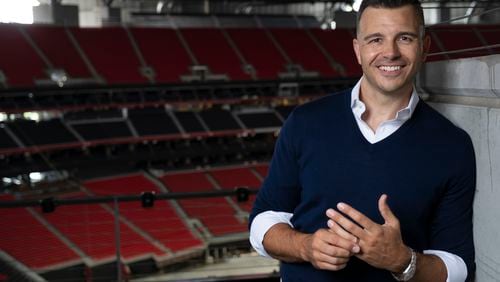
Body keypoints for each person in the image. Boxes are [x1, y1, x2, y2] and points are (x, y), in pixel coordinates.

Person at [249, 0, 476, 281]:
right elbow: (263, 222)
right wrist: (306, 247)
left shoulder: (453, 146)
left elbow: (459, 267)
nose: (390, 52)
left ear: (425, 47)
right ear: (358, 50)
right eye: (375, 39)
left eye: (404, 38)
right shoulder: (306, 121)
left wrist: (403, 261)